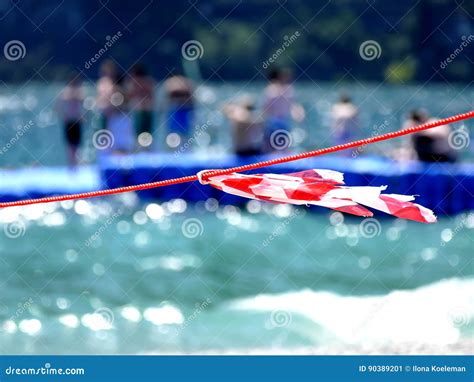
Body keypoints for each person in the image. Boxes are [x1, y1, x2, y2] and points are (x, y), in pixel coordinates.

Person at [56, 73, 85, 167]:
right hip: (69, 121)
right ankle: (71, 164)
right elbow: (58, 106)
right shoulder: (66, 92)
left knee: (76, 144)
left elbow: (84, 104)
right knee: (69, 145)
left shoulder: (79, 92)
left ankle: (75, 164)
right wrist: (63, 115)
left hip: (76, 121)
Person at [126, 63, 155, 148]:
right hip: (148, 109)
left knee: (138, 133)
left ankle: (139, 149)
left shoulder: (134, 81)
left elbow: (130, 95)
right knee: (148, 133)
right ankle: (146, 149)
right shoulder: (149, 81)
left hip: (139, 110)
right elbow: (152, 96)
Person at [163, 73, 194, 147]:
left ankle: (174, 148)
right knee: (183, 132)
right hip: (182, 109)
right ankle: (183, 147)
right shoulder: (186, 81)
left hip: (178, 109)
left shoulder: (170, 82)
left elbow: (168, 95)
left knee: (174, 132)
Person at [96, 60, 118, 130]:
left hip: (112, 111)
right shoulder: (103, 82)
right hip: (104, 110)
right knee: (104, 132)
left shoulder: (114, 83)